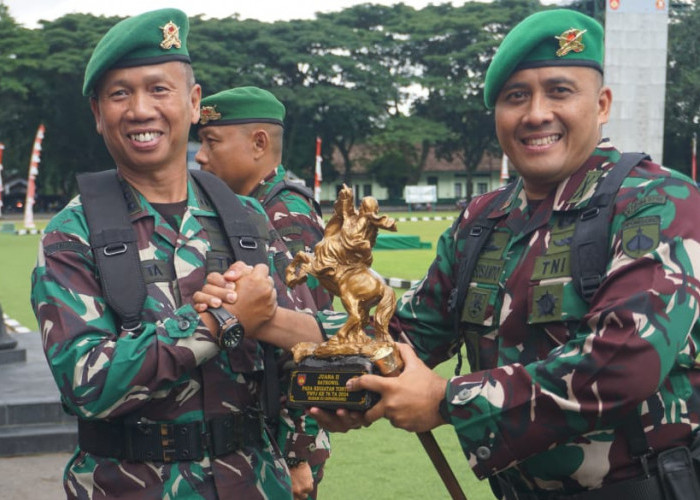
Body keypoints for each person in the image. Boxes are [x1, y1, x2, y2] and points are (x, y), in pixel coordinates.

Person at [195, 9, 700, 500]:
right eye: (515, 97)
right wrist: (269, 320)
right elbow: (395, 334)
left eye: (560, 91)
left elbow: (625, 361)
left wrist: (446, 401)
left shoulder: (657, 202)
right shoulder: (483, 220)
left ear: (602, 104)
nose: (536, 113)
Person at [30, 8, 328, 499]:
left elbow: (318, 339)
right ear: (98, 114)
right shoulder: (73, 234)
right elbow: (85, 384)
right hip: (130, 485)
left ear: (192, 103)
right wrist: (218, 321)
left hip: (255, 483)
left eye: (159, 89)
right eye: (120, 93)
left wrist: (267, 319)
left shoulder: (248, 219)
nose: (141, 109)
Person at [195, 86, 333, 312]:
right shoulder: (247, 206)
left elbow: (310, 319)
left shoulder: (287, 213)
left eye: (211, 142)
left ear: (259, 144)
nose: (200, 156)